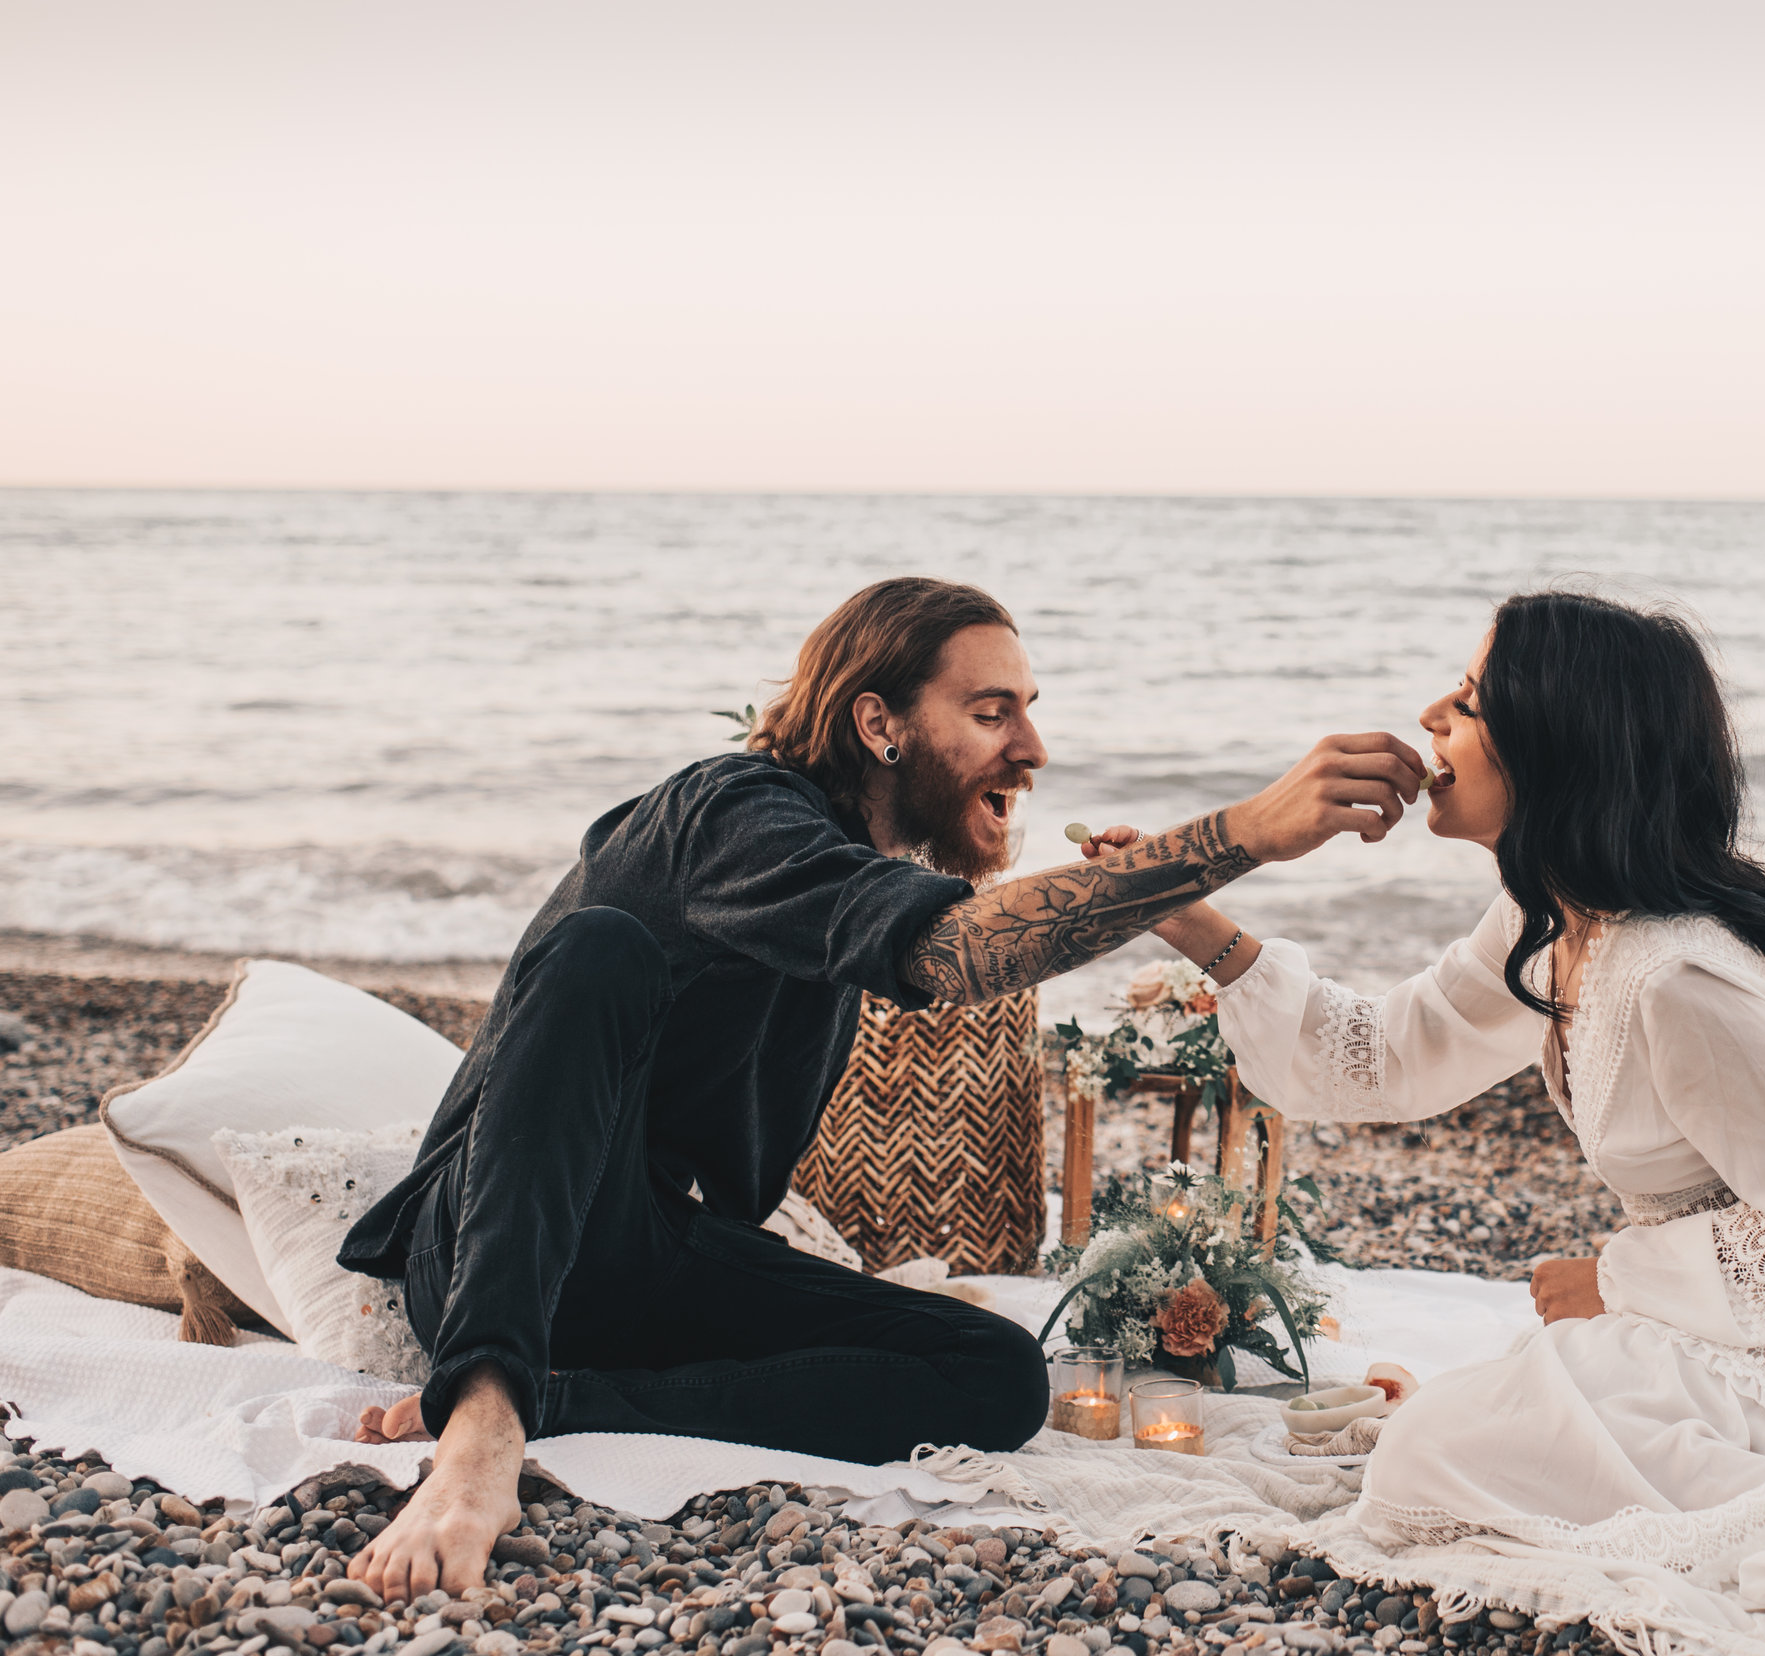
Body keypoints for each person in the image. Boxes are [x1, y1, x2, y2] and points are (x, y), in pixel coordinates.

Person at [338, 575, 1428, 1601]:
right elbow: (953, 952)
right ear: (878, 725)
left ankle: (566, 1403)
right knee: (599, 952)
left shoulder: (828, 871)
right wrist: (1244, 832)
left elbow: (934, 939)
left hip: (647, 1256)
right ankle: (481, 1427)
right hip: (500, 1245)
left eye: (1029, 710)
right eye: (992, 712)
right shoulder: (732, 811)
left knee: (992, 1373)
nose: (1031, 747)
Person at [1151, 591, 1765, 1622]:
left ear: (1556, 742)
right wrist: (1186, 914)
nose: (1429, 717)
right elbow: (1385, 1060)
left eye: (1466, 700)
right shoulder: (1551, 916)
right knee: (1455, 1437)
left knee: (1436, 1449)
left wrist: (1615, 1280)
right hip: (1718, 1308)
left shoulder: (1671, 975)